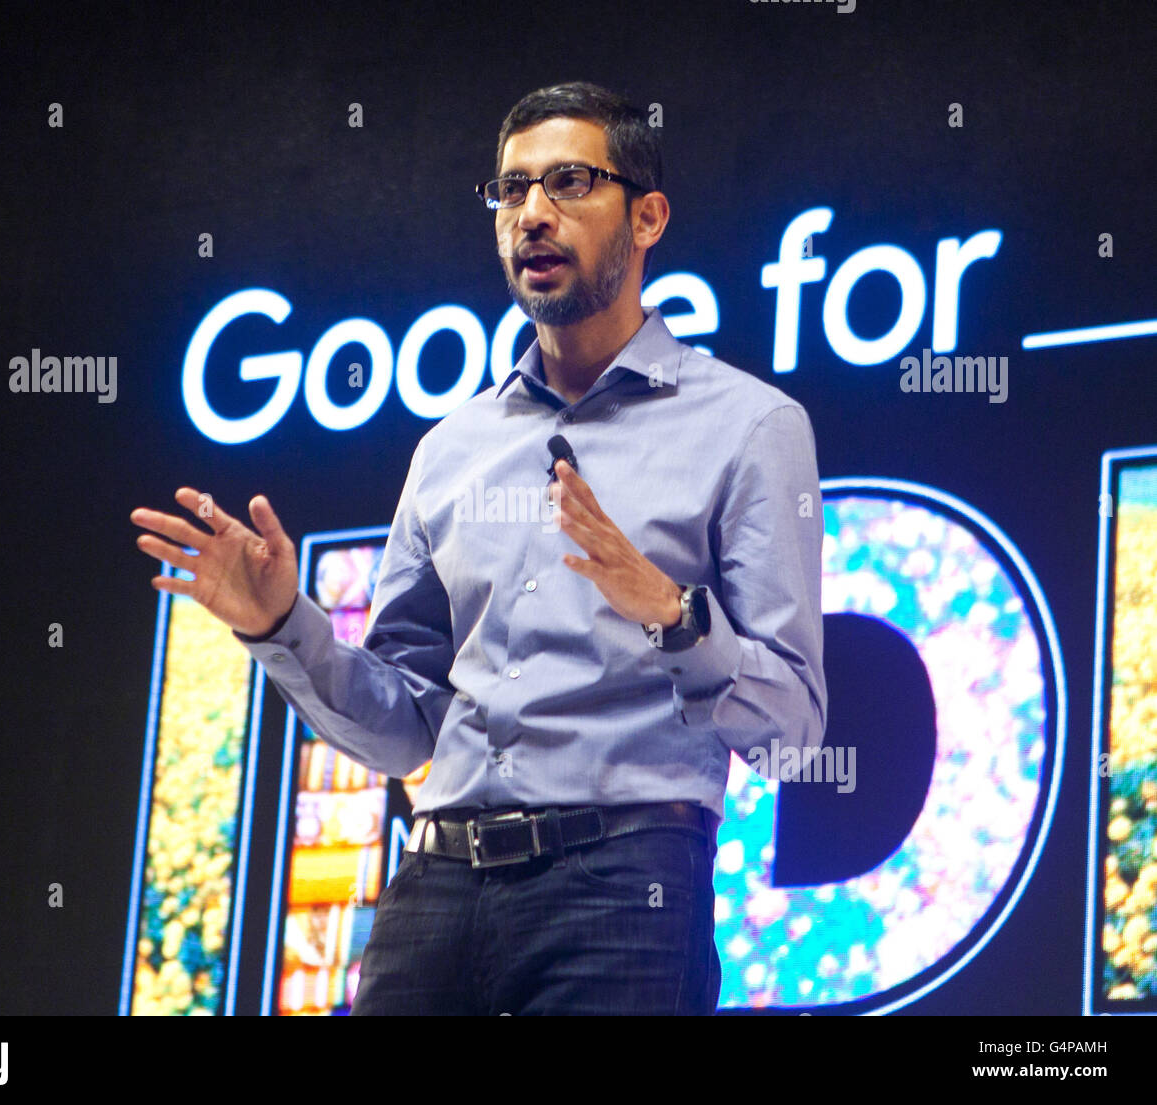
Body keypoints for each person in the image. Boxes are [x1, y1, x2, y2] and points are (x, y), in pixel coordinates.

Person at [130, 81, 826, 1016]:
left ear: (649, 216)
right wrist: (281, 625)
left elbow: (792, 734)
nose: (533, 213)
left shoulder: (750, 426)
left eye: (571, 182)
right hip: (433, 892)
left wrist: (671, 614)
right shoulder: (451, 448)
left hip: (624, 891)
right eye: (511, 191)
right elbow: (406, 724)